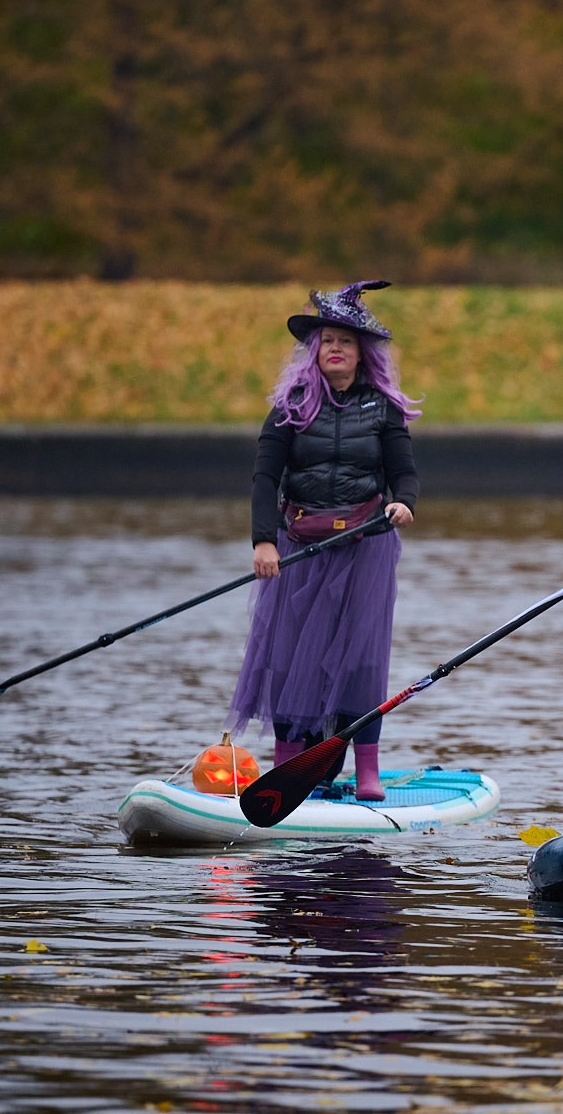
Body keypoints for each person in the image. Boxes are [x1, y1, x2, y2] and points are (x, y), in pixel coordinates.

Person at [228, 280, 420, 801]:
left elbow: (404, 475)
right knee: (291, 658)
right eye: (326, 341)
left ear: (362, 354)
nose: (334, 348)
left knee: (362, 658)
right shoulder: (290, 406)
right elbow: (265, 479)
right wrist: (263, 542)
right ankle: (289, 771)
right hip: (298, 549)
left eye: (346, 341)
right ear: (314, 351)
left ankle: (368, 773)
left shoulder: (383, 408)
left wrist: (404, 503)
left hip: (365, 547)